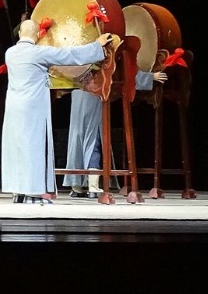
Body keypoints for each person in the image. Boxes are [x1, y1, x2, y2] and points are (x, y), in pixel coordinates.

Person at [0, 19, 117, 205]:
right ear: (37, 35)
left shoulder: (10, 53)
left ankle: (19, 191)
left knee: (17, 148)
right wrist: (97, 45)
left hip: (14, 106)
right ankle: (33, 192)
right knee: (34, 147)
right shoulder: (38, 53)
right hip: (32, 106)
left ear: (20, 34)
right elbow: (68, 55)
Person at [63, 68, 168, 197]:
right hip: (93, 90)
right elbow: (122, 68)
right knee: (93, 137)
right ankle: (92, 186)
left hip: (79, 91)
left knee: (77, 138)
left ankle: (76, 186)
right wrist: (149, 77)